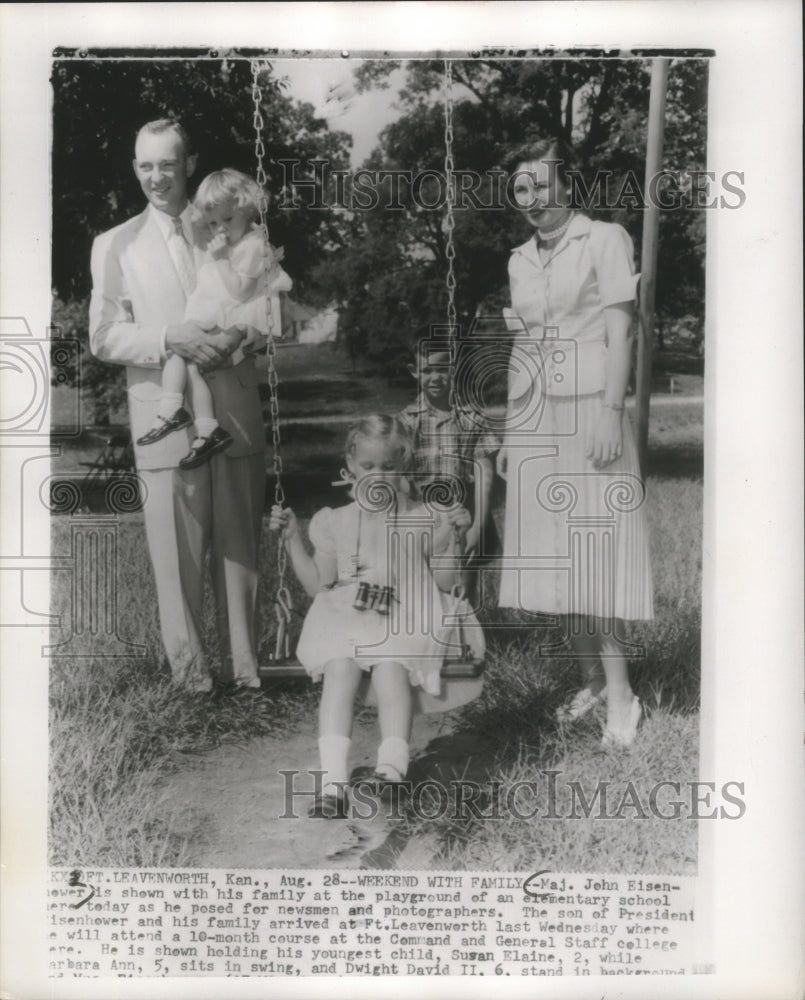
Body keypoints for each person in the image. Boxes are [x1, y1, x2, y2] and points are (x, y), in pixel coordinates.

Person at [89, 119, 266, 696]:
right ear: (134, 168)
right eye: (145, 165)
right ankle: (192, 680)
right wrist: (171, 338)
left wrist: (240, 338)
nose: (156, 176)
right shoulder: (114, 244)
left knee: (239, 545)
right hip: (162, 417)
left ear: (189, 163)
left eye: (167, 163)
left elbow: (268, 308)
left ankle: (247, 672)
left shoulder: (227, 221)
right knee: (176, 553)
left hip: (232, 404)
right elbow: (104, 336)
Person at [497, 137, 654, 748]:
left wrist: (613, 411)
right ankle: (589, 678)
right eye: (520, 190)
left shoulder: (605, 239)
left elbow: (623, 334)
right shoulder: (517, 259)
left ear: (568, 186)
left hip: (593, 406)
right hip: (536, 414)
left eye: (540, 185)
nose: (530, 199)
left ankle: (622, 692)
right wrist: (513, 429)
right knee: (557, 552)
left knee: (594, 551)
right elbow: (523, 346)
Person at [269, 415, 475, 819]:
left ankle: (392, 770)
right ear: (350, 463)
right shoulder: (335, 520)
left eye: (389, 467)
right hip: (348, 613)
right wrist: (292, 539)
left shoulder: (425, 516)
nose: (378, 476)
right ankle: (332, 783)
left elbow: (445, 580)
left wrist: (456, 538)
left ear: (406, 466)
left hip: (405, 612)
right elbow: (317, 584)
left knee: (390, 667)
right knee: (340, 669)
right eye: (368, 466)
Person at [137, 168, 292, 470]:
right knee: (184, 359)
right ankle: (200, 425)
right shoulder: (231, 243)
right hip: (218, 317)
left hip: (235, 319)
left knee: (186, 359)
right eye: (212, 223)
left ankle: (181, 414)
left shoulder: (253, 246)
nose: (220, 230)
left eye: (228, 220)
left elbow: (240, 292)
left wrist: (220, 258)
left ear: (247, 210)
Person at [397, 337, 501, 606]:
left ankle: (470, 642)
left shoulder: (470, 417)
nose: (435, 377)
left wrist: (478, 525)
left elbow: (484, 472)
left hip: (462, 512)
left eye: (442, 369)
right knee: (421, 587)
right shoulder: (407, 420)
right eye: (426, 370)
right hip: (421, 514)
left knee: (463, 583)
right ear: (414, 371)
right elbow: (397, 475)